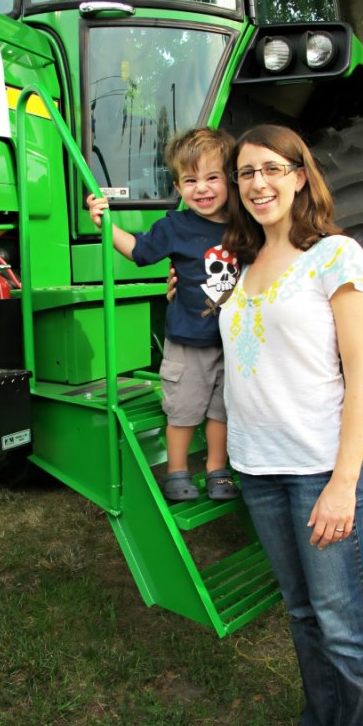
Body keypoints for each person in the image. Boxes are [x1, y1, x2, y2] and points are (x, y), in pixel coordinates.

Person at [218, 124, 363, 726]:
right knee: (301, 613)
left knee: (346, 631)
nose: (258, 183)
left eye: (271, 169)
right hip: (258, 469)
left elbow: (362, 373)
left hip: (319, 469)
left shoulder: (334, 254)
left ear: (298, 174)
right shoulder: (241, 263)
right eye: (246, 173)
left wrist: (345, 481)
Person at [87, 127, 240, 503]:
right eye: (190, 181)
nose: (201, 188)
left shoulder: (245, 226)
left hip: (233, 342)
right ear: (177, 185)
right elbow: (139, 252)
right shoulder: (176, 226)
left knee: (223, 410)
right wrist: (105, 225)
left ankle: (217, 469)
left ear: (229, 180)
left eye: (212, 178)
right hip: (188, 341)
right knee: (184, 409)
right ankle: (176, 471)